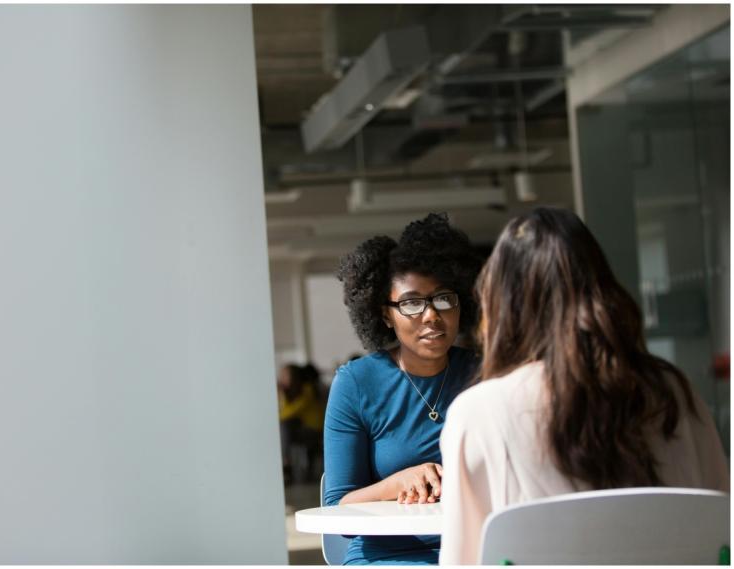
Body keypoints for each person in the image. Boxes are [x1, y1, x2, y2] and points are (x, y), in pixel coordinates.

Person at [438, 207, 729, 565]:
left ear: (503, 305)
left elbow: (461, 560)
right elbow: (721, 531)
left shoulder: (479, 413)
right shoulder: (673, 392)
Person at [324, 212, 482, 565]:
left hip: (476, 550)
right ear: (384, 315)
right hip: (390, 556)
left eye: (443, 298)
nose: (431, 315)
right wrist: (398, 483)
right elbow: (338, 509)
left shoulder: (483, 374)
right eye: (411, 303)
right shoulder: (356, 383)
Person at [278, 363, 325, 483]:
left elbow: (288, 413)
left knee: (284, 427)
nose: (281, 379)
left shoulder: (307, 391)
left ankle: (285, 463)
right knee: (285, 427)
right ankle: (285, 463)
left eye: (284, 375)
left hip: (314, 430)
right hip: (303, 429)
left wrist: (282, 396)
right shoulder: (292, 393)